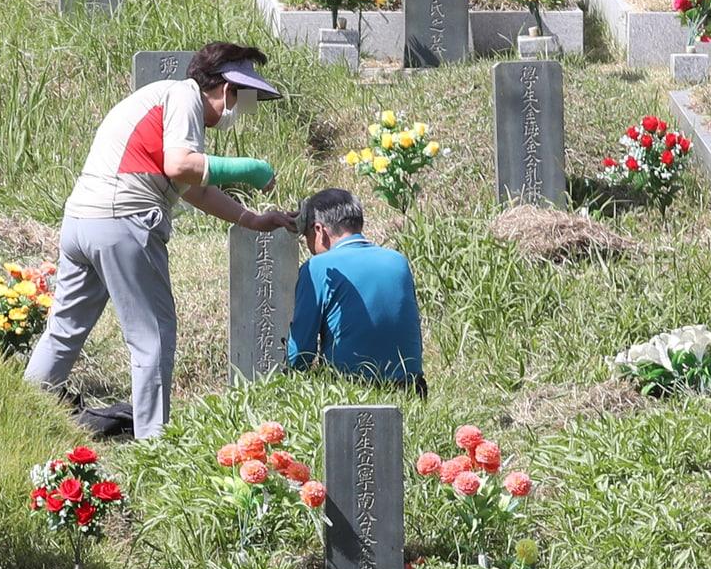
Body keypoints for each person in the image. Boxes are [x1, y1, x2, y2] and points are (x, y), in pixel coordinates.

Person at [26, 42, 297, 439]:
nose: (239, 109)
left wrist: (250, 219)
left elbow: (192, 188)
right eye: (240, 96)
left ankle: (25, 417)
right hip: (124, 222)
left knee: (64, 330)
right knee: (152, 337)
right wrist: (253, 169)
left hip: (81, 223)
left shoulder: (158, 99)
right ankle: (153, 444)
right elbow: (180, 165)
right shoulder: (183, 97)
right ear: (224, 88)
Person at [287, 189, 426, 396]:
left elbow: (300, 355)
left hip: (349, 391)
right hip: (409, 388)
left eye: (307, 237)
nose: (309, 246)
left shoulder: (318, 267)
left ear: (319, 230)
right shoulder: (398, 261)